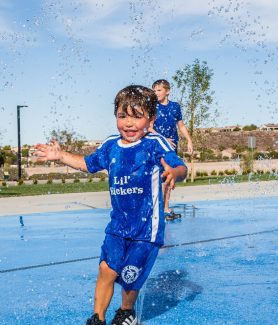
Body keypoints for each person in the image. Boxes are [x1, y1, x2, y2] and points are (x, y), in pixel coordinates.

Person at [34, 85, 187, 325]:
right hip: (117, 226)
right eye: (122, 116)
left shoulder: (155, 143)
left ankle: (126, 311)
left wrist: (174, 172)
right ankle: (97, 318)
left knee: (129, 277)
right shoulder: (111, 145)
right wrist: (61, 156)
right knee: (106, 269)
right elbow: (88, 163)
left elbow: (180, 166)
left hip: (146, 230)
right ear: (115, 116)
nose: (129, 123)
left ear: (151, 119)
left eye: (137, 116)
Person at [150, 79, 193, 220]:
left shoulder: (175, 107)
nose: (156, 93)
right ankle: (158, 208)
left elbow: (180, 125)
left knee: (169, 178)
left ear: (167, 91)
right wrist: (163, 139)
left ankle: (166, 207)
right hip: (158, 147)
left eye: (159, 90)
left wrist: (189, 140)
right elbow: (149, 128)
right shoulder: (153, 107)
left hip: (172, 148)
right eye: (154, 90)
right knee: (160, 178)